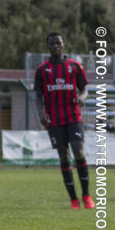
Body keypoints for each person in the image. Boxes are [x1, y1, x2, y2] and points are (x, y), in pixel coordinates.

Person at [34, 32, 93, 209]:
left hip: (73, 116)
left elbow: (85, 89)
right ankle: (74, 199)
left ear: (63, 44)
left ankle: (86, 195)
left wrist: (82, 97)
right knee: (63, 156)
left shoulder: (75, 66)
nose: (56, 46)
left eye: (58, 43)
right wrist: (41, 113)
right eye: (52, 44)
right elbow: (37, 96)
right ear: (48, 46)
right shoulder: (42, 70)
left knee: (78, 151)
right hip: (54, 119)